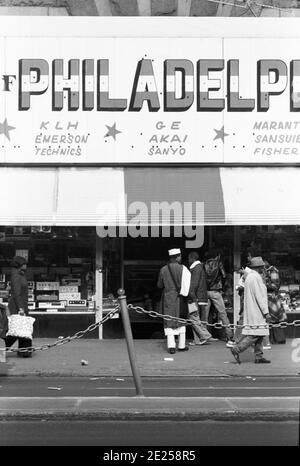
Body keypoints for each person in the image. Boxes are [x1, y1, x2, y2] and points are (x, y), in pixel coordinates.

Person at [230, 256, 272, 364]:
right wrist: (266, 312)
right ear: (259, 267)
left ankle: (259, 356)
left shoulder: (250, 277)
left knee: (259, 334)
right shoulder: (255, 278)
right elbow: (259, 296)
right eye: (262, 266)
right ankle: (237, 349)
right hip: (257, 311)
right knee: (255, 334)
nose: (263, 268)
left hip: (253, 309)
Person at [157, 248, 191, 354]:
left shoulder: (163, 269)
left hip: (168, 298)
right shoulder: (183, 268)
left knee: (169, 320)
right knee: (181, 320)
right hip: (180, 297)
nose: (181, 258)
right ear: (176, 257)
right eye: (180, 256)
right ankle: (181, 345)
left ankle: (171, 346)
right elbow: (188, 284)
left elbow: (159, 285)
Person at [202, 249, 234, 345]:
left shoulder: (204, 264)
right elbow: (224, 276)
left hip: (206, 291)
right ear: (218, 256)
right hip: (216, 291)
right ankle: (229, 336)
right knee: (223, 313)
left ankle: (204, 336)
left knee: (205, 315)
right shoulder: (218, 264)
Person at [5, 256, 32, 357]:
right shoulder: (16, 276)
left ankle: (24, 351)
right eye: (24, 264)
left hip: (21, 305)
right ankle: (23, 350)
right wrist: (21, 308)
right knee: (16, 330)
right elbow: (17, 294)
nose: (26, 265)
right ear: (19, 265)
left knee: (22, 328)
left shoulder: (20, 275)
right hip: (17, 306)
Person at [187, 251, 213, 346]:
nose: (188, 261)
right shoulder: (199, 267)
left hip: (195, 297)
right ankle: (197, 340)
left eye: (189, 258)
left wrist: (192, 297)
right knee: (196, 318)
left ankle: (205, 335)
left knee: (193, 317)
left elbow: (194, 284)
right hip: (199, 297)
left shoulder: (196, 269)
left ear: (192, 258)